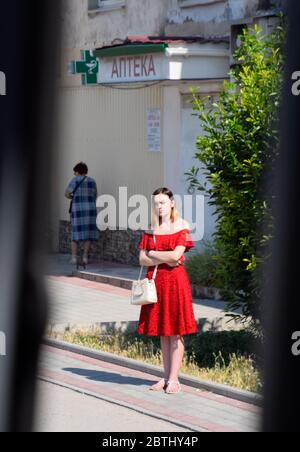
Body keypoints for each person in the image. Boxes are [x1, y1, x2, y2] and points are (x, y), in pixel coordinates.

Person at [138, 187, 198, 394]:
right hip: (156, 283)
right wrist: (163, 254)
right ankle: (165, 377)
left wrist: (155, 254)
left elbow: (177, 256)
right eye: (155, 203)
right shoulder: (150, 229)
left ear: (172, 203)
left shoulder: (182, 226)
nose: (159, 206)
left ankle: (174, 379)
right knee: (163, 332)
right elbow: (142, 259)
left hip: (176, 283)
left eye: (162, 202)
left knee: (176, 331)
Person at [65, 162, 98, 265]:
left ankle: (74, 258)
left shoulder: (75, 180)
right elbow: (95, 195)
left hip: (78, 209)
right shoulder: (92, 181)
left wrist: (73, 197)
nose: (74, 174)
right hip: (90, 210)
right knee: (88, 234)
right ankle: (85, 258)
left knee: (75, 233)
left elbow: (66, 194)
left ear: (77, 171)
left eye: (75, 172)